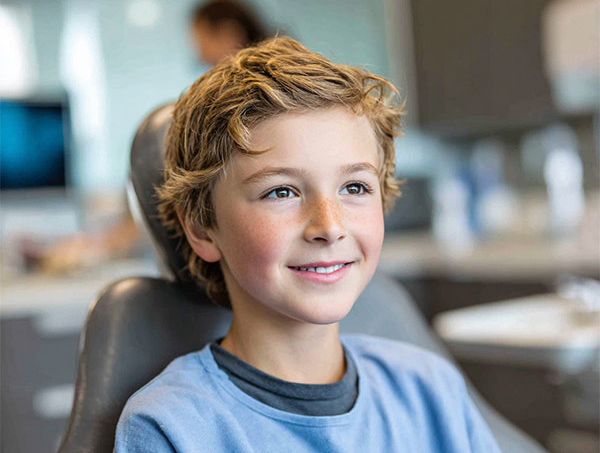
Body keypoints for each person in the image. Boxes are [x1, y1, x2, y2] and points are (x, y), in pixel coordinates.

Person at [114, 37, 501, 452]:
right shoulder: (173, 428)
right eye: (281, 192)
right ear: (203, 230)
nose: (329, 226)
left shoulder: (432, 393)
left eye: (354, 187)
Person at [36, 0, 270, 274]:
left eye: (202, 46)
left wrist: (101, 246)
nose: (200, 59)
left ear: (229, 34)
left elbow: (167, 201)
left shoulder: (258, 112)